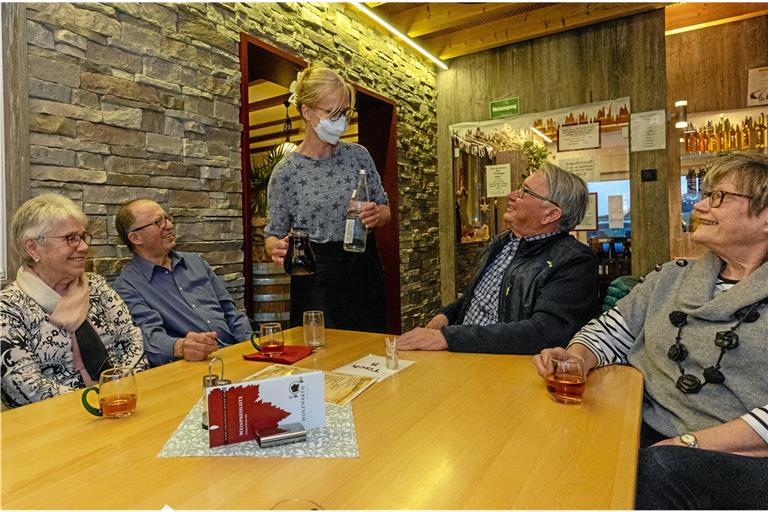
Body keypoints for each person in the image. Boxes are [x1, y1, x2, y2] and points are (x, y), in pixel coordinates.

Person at [533, 153, 768, 509]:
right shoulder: (671, 277)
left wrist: (685, 444)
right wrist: (576, 358)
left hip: (738, 458)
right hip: (646, 436)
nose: (701, 205)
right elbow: (611, 332)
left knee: (652, 472)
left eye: (718, 196)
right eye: (705, 194)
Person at [399, 162, 599, 354]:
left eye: (524, 192)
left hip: (503, 369)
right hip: (462, 356)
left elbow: (545, 332)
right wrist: (445, 316)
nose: (511, 195)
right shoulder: (501, 242)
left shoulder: (575, 261)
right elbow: (477, 298)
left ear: (550, 214)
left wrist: (449, 338)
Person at [265, 64, 391, 332]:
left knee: (371, 355)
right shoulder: (286, 172)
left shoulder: (358, 155)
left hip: (363, 271)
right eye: (331, 112)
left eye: (343, 112)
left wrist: (377, 215)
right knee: (320, 359)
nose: (340, 120)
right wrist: (276, 248)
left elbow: (385, 210)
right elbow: (272, 236)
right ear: (307, 112)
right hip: (315, 279)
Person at [1, 194, 148, 408]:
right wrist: (97, 403)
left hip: (122, 402)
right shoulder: (8, 307)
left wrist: (120, 390)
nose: (83, 247)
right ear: (32, 248)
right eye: (70, 238)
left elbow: (133, 339)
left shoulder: (97, 286)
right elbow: (25, 387)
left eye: (83, 236)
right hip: (56, 423)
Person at [113, 199, 252, 367]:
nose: (170, 225)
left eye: (168, 218)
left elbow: (231, 312)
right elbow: (148, 337)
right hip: (194, 366)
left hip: (236, 354)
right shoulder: (127, 286)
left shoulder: (196, 262)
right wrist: (180, 347)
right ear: (136, 237)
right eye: (159, 222)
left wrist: (251, 346)